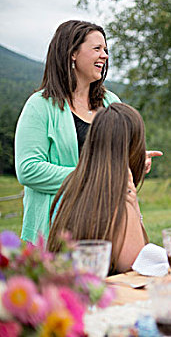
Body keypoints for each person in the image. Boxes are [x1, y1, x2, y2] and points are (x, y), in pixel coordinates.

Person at [14, 20, 161, 244]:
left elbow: (117, 164)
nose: (105, 56)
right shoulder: (40, 105)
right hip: (57, 230)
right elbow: (29, 170)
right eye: (97, 49)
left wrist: (135, 161)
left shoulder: (111, 102)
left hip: (108, 224)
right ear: (72, 53)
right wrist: (92, 177)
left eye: (106, 50)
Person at [47, 103, 148, 274]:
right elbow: (138, 266)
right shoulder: (121, 198)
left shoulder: (69, 188)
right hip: (107, 296)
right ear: (131, 148)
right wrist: (133, 208)